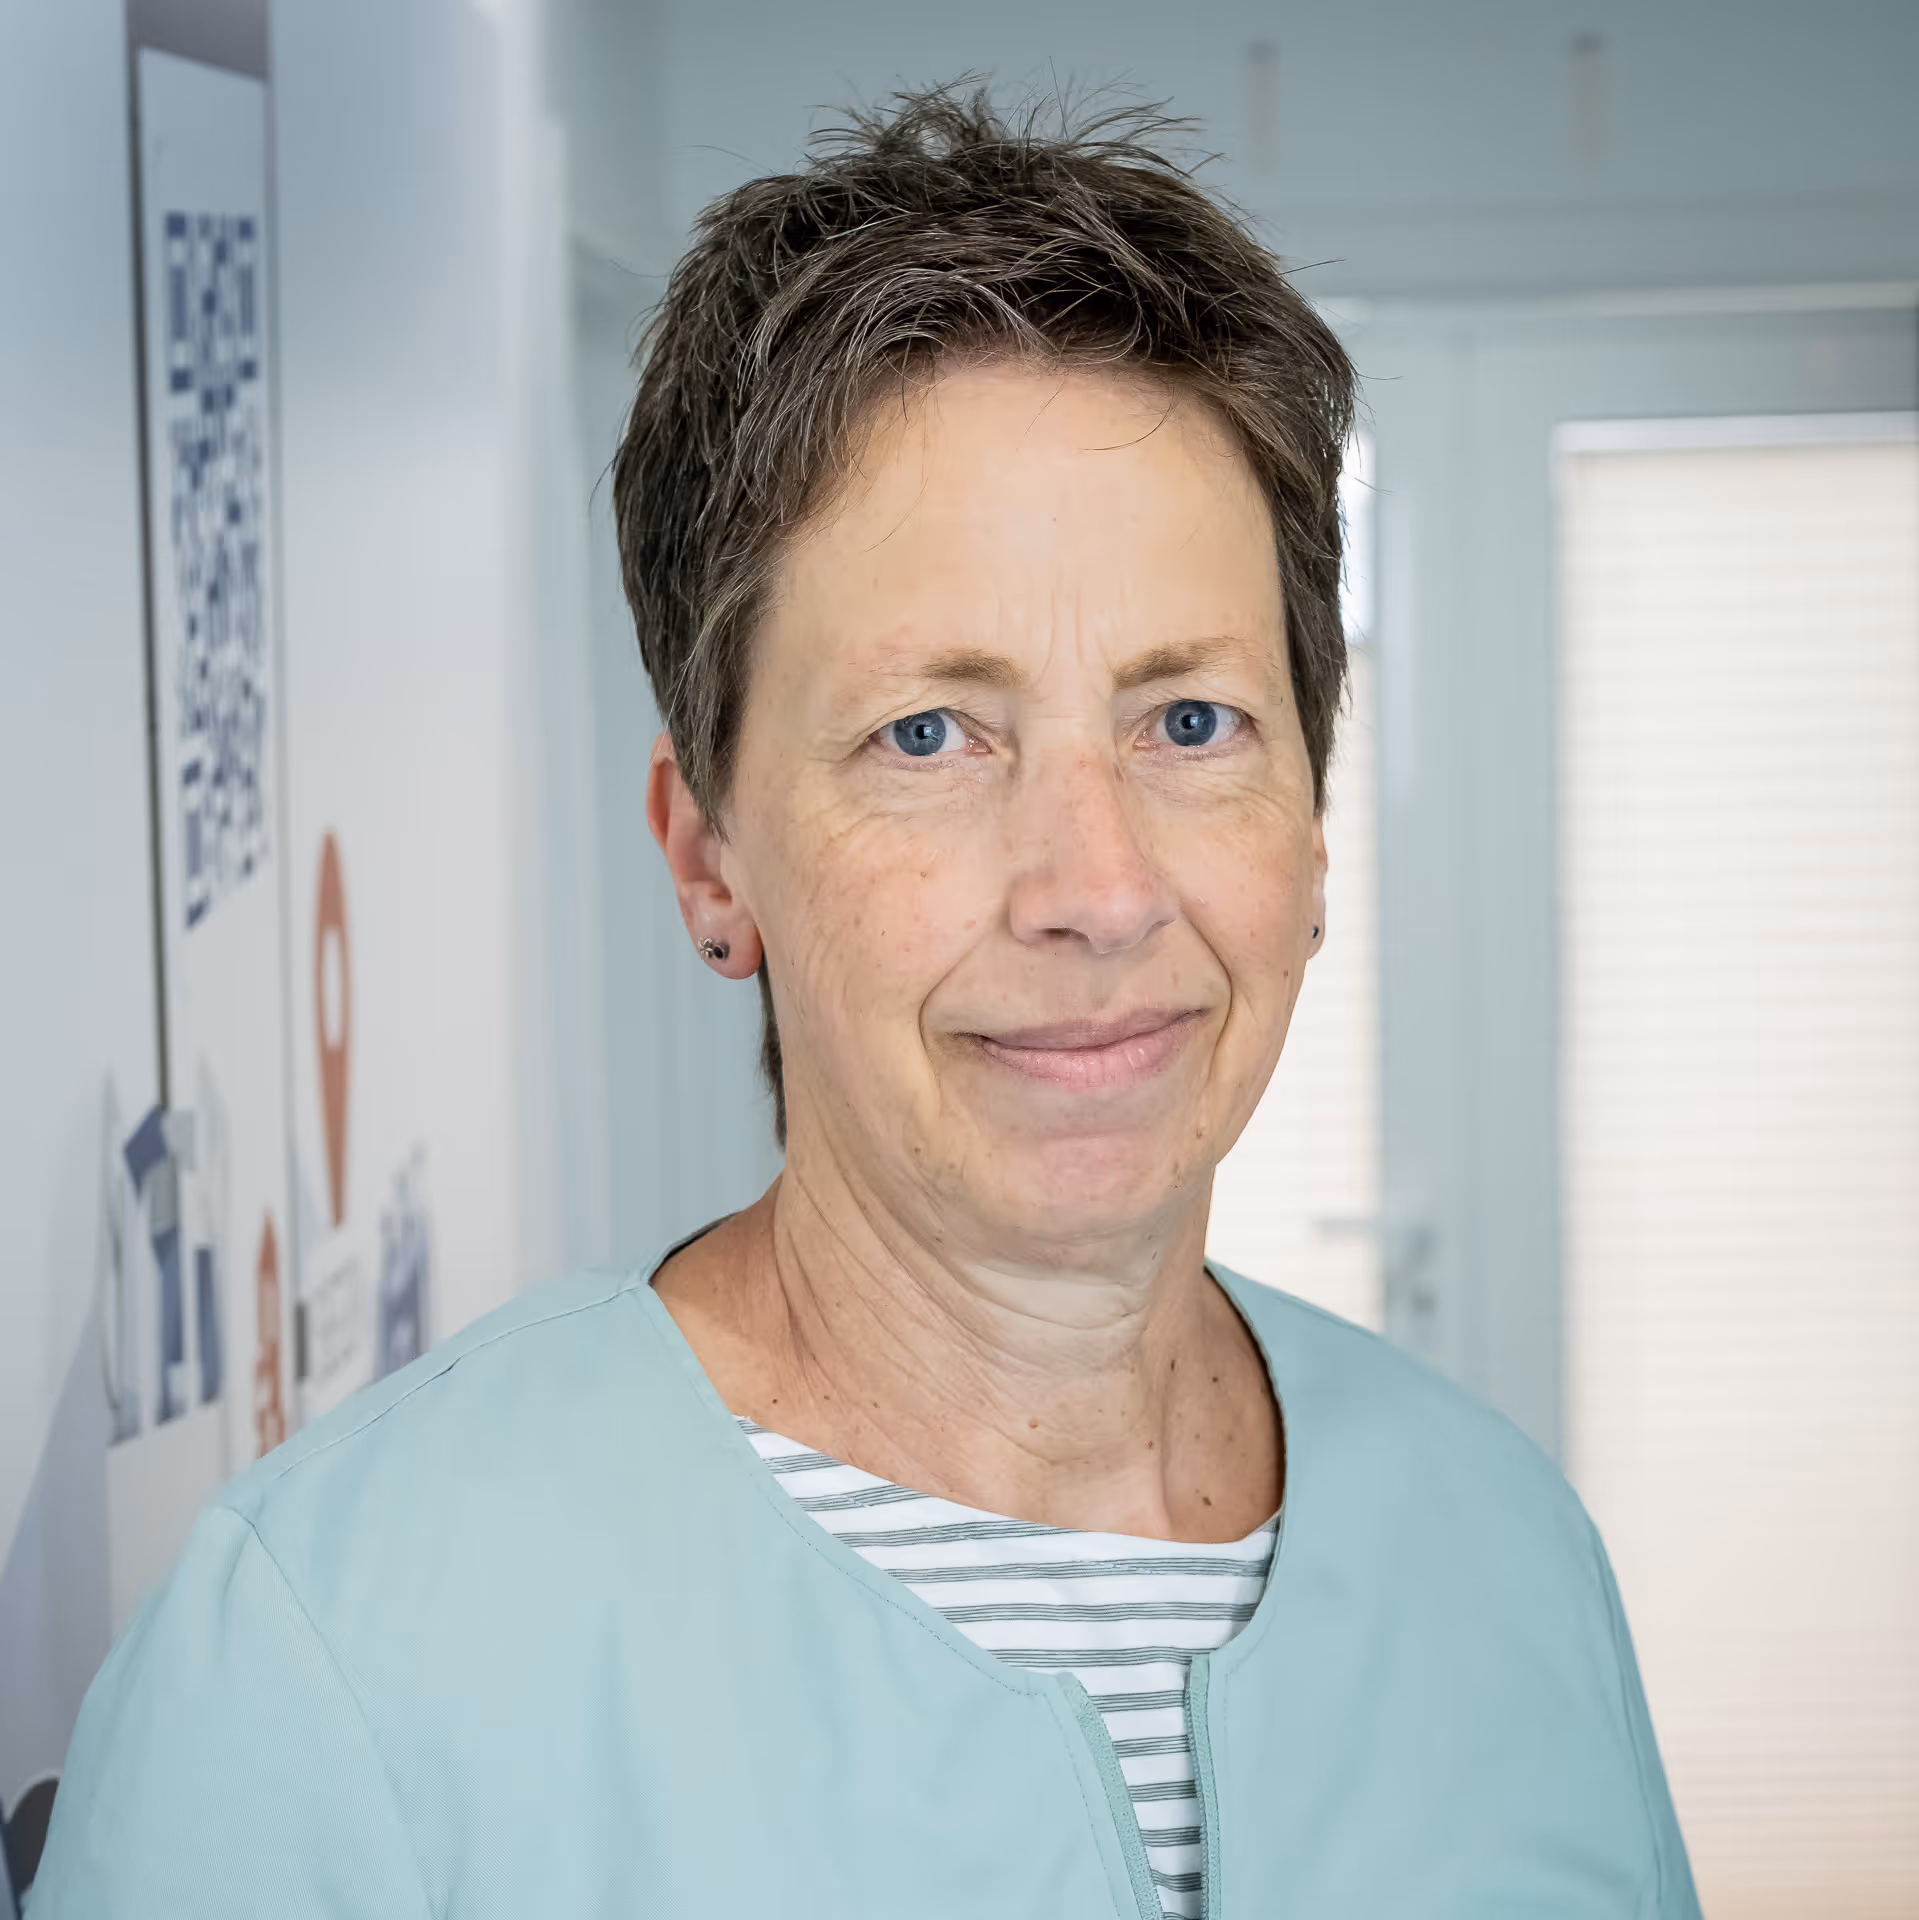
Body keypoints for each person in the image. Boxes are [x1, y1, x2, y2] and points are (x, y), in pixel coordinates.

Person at [32, 88, 1698, 1917]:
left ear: (1310, 827)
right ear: (710, 855)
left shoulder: (1513, 1562)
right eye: (927, 735)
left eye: (1191, 719)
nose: (1097, 890)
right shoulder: (330, 1659)